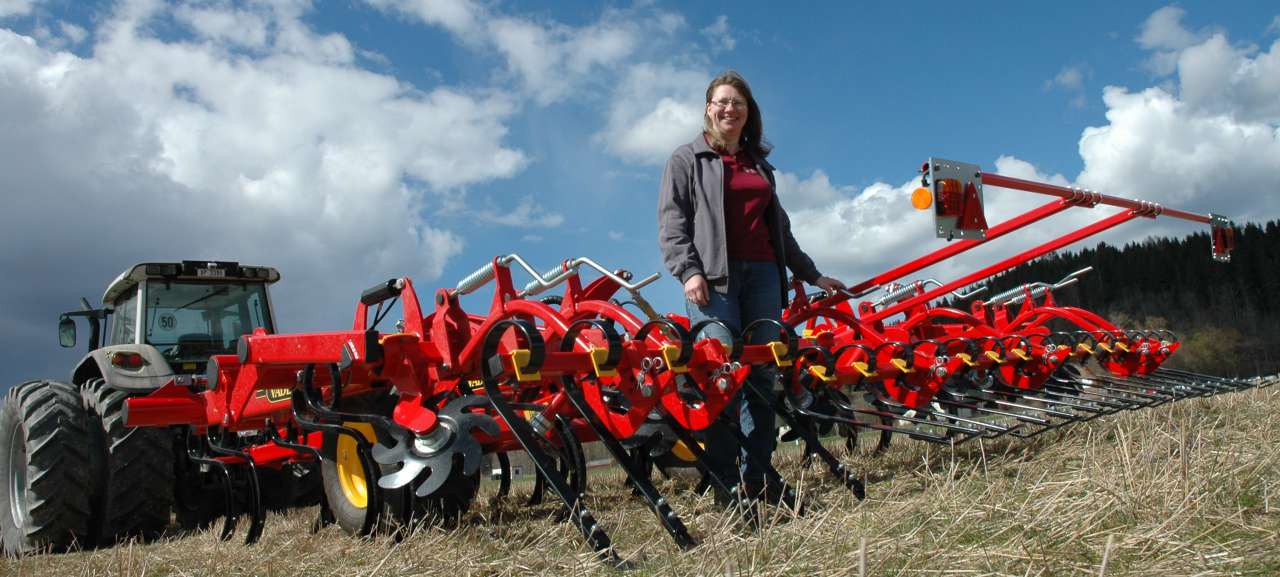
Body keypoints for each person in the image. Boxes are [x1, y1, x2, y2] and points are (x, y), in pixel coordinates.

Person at [657, 70, 845, 500]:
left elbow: (780, 228)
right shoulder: (687, 159)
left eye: (737, 102)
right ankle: (726, 485)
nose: (729, 109)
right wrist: (689, 271)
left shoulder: (759, 166)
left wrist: (812, 274)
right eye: (721, 102)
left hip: (763, 277)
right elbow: (672, 223)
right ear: (708, 109)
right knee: (723, 378)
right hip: (715, 281)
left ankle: (759, 479)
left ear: (748, 112)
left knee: (761, 378)